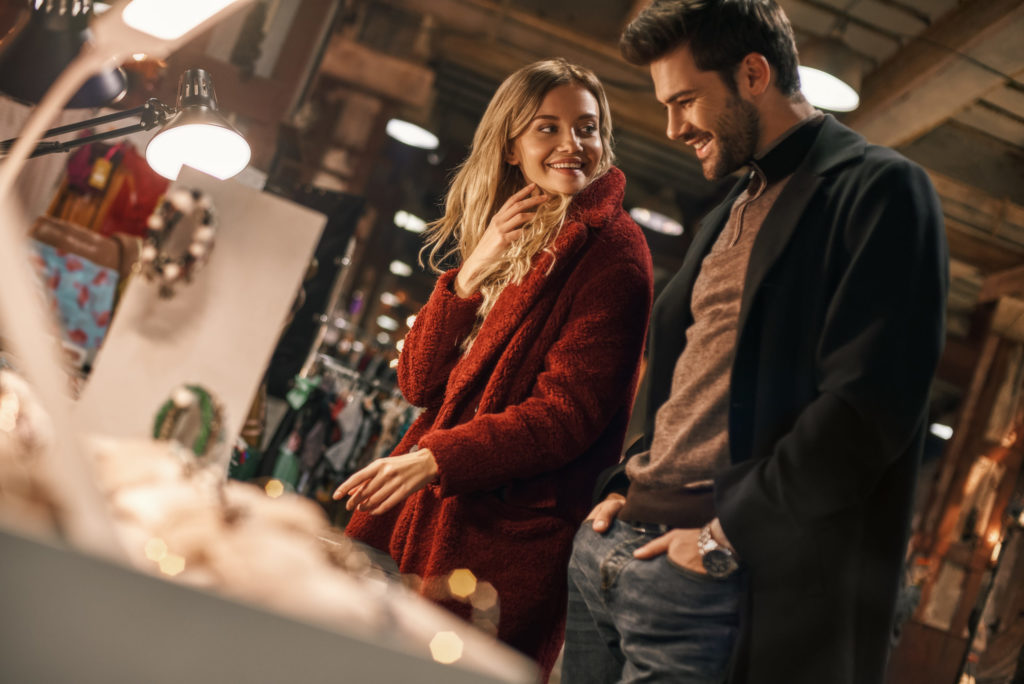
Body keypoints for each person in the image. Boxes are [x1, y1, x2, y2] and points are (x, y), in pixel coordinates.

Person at [563, 1, 949, 683]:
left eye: (685, 101)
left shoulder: (879, 189)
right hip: (612, 553)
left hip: (711, 584)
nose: (673, 127)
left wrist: (723, 540)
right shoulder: (729, 211)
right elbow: (682, 377)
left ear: (751, 73)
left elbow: (869, 407)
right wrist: (628, 481)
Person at [334, 58, 653, 677]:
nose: (571, 146)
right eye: (547, 128)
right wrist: (471, 272)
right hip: (425, 521)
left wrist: (436, 458)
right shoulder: (513, 235)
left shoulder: (615, 252)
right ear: (511, 144)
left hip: (501, 544)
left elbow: (566, 416)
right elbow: (418, 383)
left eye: (586, 128)